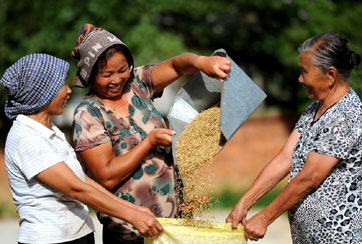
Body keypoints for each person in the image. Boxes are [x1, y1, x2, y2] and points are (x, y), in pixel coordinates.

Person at [70, 24, 231, 243]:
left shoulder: (137, 84)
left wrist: (200, 62)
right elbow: (106, 176)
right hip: (129, 232)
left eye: (122, 69)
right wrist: (148, 143)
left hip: (172, 226)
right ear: (89, 75)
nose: (117, 79)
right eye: (107, 74)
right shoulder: (88, 114)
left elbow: (176, 66)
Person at [0, 53, 163, 244]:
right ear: (43, 93)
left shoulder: (49, 130)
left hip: (74, 235)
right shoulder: (27, 138)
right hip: (51, 239)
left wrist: (131, 208)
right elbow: (76, 189)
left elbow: (80, 178)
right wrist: (130, 215)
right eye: (62, 86)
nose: (68, 91)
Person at [226, 32, 362, 243]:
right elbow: (284, 159)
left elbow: (309, 178)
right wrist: (245, 202)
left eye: (304, 72)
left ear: (331, 75)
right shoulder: (313, 110)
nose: (300, 79)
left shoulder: (347, 115)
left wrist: (264, 218)